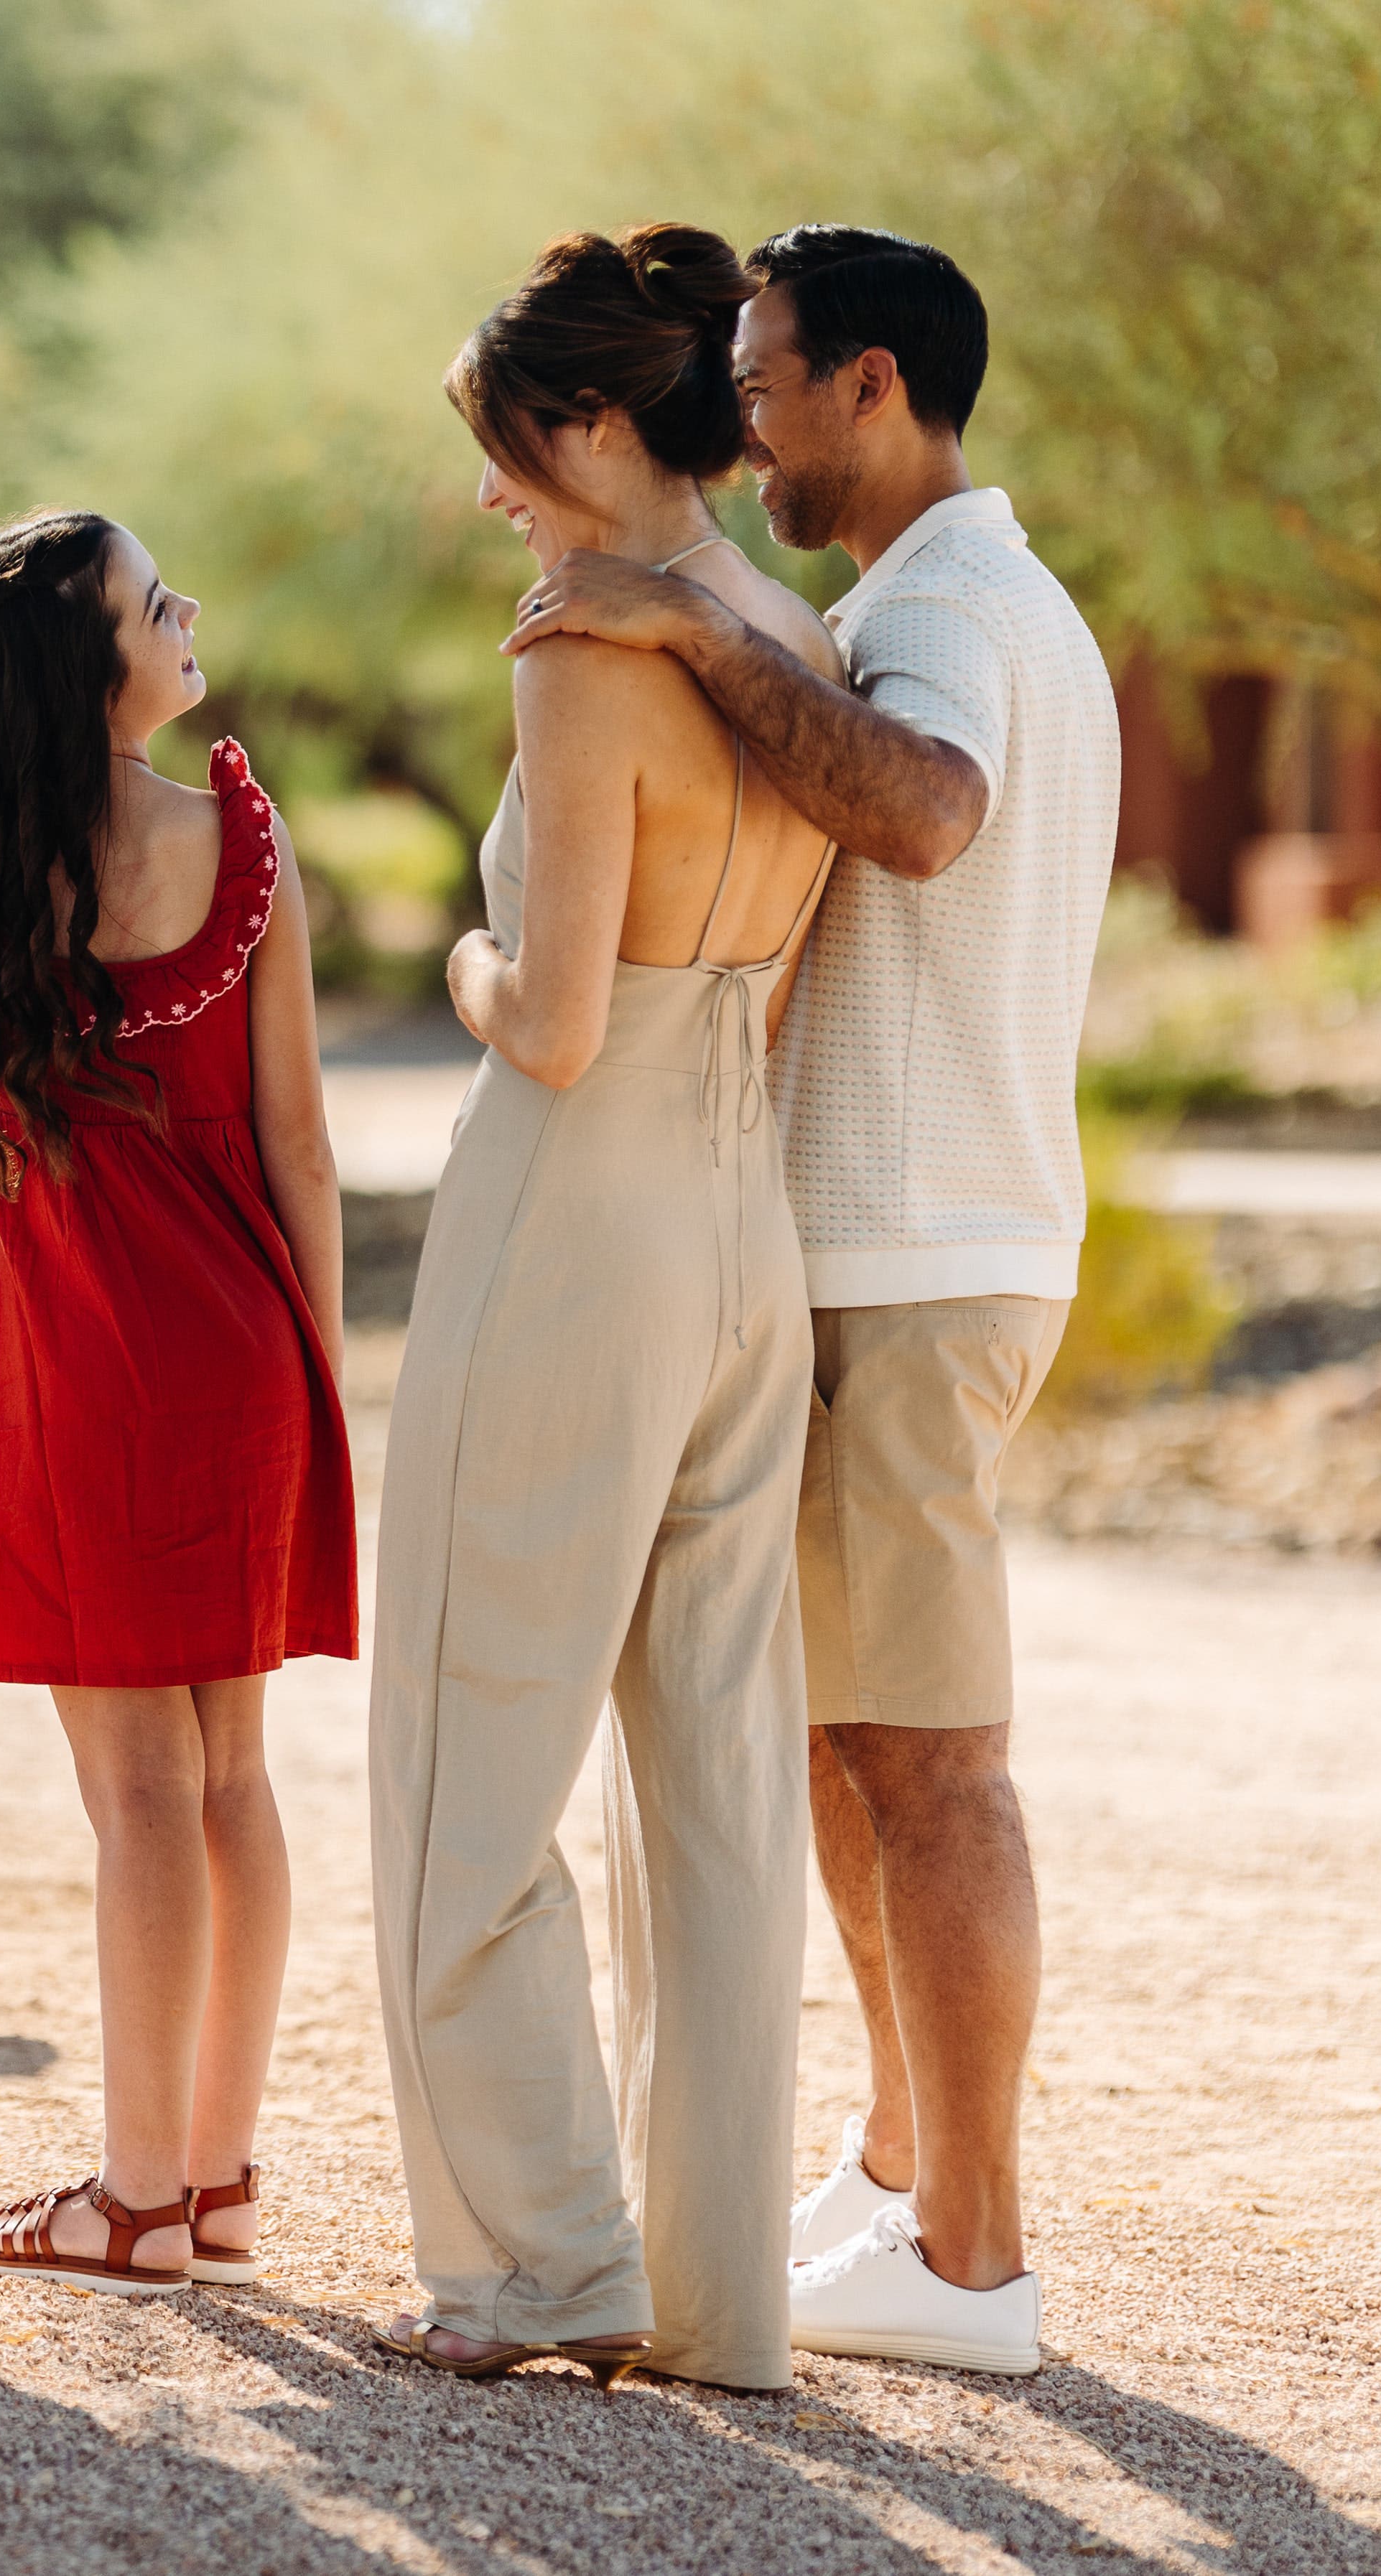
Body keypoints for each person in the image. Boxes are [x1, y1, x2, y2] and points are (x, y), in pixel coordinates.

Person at [506, 226, 1117, 2379]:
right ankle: (896, 2180)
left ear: (872, 383)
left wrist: (682, 618)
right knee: (860, 1751)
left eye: (763, 382)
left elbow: (924, 815)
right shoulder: (948, 598)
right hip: (908, 1255)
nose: (739, 424)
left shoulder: (943, 611)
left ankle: (974, 2259)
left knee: (931, 1769)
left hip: (913, 1266)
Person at [371, 225, 852, 2392]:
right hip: (744, 1219)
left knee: (469, 1737)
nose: (492, 492)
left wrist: (451, 965)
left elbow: (552, 1023)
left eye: (503, 446)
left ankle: (538, 2262)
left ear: (583, 425)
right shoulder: (788, 630)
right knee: (722, 1778)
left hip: (573, 1211)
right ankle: (722, 2299)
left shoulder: (581, 650)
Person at [0, 511, 356, 2297]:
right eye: (158, 604)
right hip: (245, 1351)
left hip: (71, 1360)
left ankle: (135, 2196)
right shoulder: (241, 837)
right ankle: (212, 2179)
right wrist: (315, 1371)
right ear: (94, 671)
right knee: (231, 1776)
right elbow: (303, 1143)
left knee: (138, 1792)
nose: (188, 609)